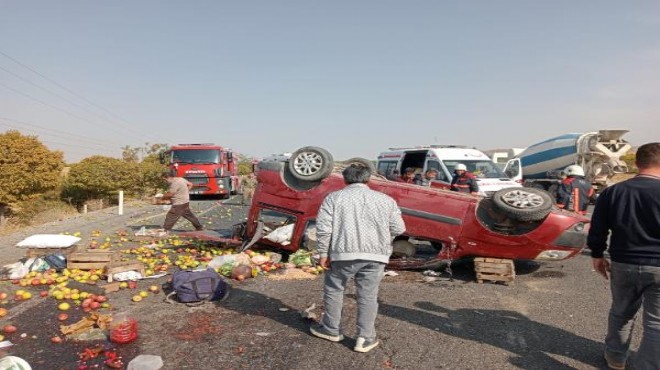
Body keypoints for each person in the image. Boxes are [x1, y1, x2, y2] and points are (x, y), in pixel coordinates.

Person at [310, 163, 406, 353]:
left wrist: (323, 253)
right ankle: (365, 338)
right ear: (368, 179)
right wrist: (382, 239)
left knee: (334, 289)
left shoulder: (333, 198)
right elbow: (399, 228)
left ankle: (331, 329)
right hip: (376, 256)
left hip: (342, 253)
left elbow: (324, 229)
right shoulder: (386, 200)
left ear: (345, 180)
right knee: (368, 296)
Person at [587, 142, 660, 370]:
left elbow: (598, 228)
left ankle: (616, 359)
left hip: (623, 263)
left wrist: (597, 255)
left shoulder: (613, 192)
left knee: (621, 313)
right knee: (656, 323)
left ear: (637, 163)